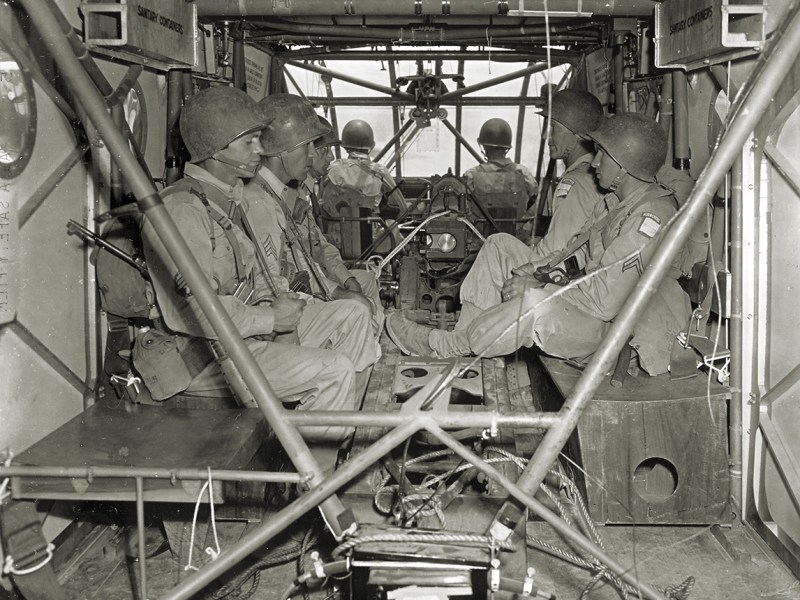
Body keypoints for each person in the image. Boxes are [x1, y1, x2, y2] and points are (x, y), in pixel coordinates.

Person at [386, 112, 691, 377]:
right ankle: (467, 338)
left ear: (624, 166)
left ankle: (447, 347)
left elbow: (603, 303)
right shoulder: (616, 201)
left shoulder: (649, 219)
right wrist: (535, 272)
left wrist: (538, 289)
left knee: (533, 307)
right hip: (589, 306)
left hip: (616, 334)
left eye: (603, 156)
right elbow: (572, 254)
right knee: (500, 245)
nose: (595, 162)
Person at [138, 86, 366, 440]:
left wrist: (282, 305)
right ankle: (315, 478)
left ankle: (337, 428)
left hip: (237, 334)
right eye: (249, 143)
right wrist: (272, 318)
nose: (261, 150)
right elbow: (194, 311)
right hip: (201, 356)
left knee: (351, 314)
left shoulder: (225, 201)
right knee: (334, 370)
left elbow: (254, 274)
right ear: (215, 150)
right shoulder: (183, 211)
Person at [242, 94, 381, 366]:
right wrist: (335, 294)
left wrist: (335, 290)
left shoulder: (278, 194)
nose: (313, 154)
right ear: (283, 150)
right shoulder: (259, 203)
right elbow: (273, 285)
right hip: (275, 318)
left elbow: (306, 254)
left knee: (359, 301)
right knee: (356, 312)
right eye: (307, 146)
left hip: (297, 294)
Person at [319, 119, 407, 258]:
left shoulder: (330, 170)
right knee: (392, 225)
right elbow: (403, 210)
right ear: (371, 145)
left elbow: (320, 208)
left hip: (335, 243)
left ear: (344, 146)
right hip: (369, 245)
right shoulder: (380, 172)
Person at [463, 117, 538, 237]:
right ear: (507, 148)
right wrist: (522, 228)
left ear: (484, 147)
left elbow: (464, 210)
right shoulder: (524, 174)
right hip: (516, 242)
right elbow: (538, 204)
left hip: (481, 243)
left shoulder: (470, 176)